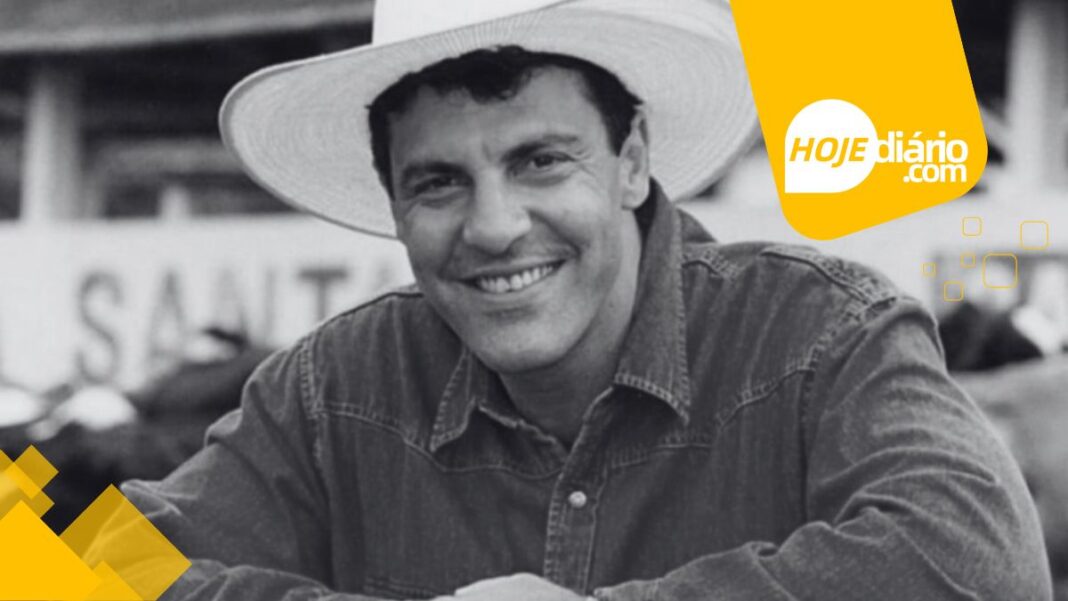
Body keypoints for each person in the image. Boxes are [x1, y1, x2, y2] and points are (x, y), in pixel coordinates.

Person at [120, 0, 1051, 599]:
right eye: (438, 182)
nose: (494, 226)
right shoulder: (331, 390)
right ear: (394, 205)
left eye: (540, 160)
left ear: (633, 162)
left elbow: (981, 566)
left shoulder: (820, 333)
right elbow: (75, 572)